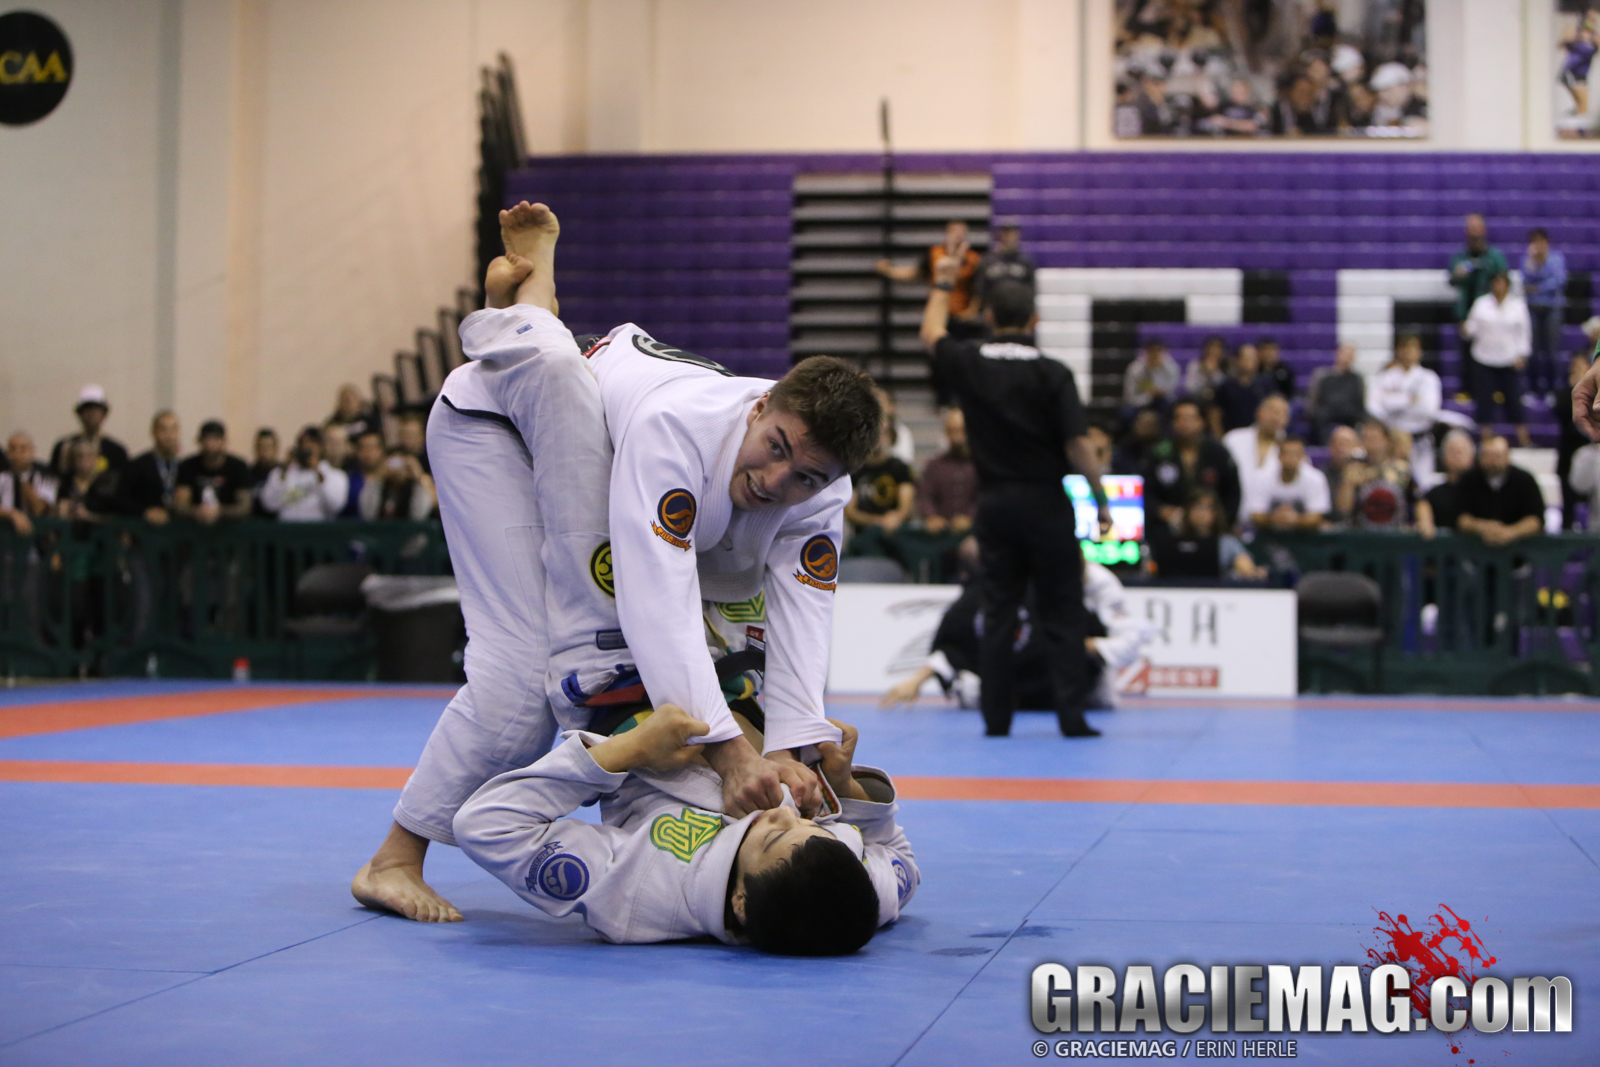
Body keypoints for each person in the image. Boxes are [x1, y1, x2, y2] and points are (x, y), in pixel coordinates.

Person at [355, 202, 876, 923]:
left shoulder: (820, 490)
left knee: (725, 589)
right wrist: (729, 752)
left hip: (589, 411)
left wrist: (794, 743)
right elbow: (655, 598)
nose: (777, 480)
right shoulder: (679, 432)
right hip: (501, 430)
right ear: (760, 408)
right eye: (776, 448)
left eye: (807, 477)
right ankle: (393, 858)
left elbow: (804, 615)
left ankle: (531, 305)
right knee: (521, 679)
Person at [454, 704, 915, 955]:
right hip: (748, 682)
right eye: (809, 825)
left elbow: (487, 825)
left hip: (625, 686)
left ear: (741, 902)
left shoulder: (640, 893)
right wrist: (845, 787)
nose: (783, 815)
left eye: (773, 837)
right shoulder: (847, 894)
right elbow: (901, 865)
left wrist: (630, 749)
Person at [922, 264, 1106, 739]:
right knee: (1063, 610)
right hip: (1047, 502)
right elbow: (1078, 445)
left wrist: (944, 280)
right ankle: (1072, 717)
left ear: (987, 316)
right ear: (1034, 320)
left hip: (996, 504)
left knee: (999, 609)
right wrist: (1101, 500)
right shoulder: (1053, 372)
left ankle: (996, 718)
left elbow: (931, 333)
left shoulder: (971, 361)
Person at [880, 545, 1154, 714]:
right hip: (1026, 678)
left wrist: (1089, 646)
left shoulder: (1101, 586)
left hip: (1084, 675)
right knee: (977, 691)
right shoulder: (1015, 586)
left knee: (1101, 699)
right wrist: (917, 680)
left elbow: (1130, 641)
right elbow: (959, 639)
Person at [1143, 399, 1242, 528]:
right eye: (1180, 418)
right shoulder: (1159, 453)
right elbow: (1146, 491)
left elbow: (1232, 492)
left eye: (1190, 418)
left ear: (1201, 421)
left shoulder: (1217, 452)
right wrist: (1160, 510)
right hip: (1166, 526)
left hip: (1210, 527)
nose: (1185, 423)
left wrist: (1220, 519)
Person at [879, 220, 983, 339]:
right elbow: (915, 273)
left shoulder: (973, 259)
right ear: (947, 233)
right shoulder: (934, 253)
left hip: (961, 317)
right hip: (938, 314)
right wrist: (889, 270)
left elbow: (979, 289)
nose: (958, 235)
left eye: (961, 232)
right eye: (954, 231)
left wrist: (972, 310)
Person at [1461, 272, 1532, 445]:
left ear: (1507, 285)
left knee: (1514, 400)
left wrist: (1522, 354)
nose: (1499, 286)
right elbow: (1471, 328)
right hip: (1484, 358)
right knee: (1484, 400)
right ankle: (1486, 438)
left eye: (1502, 283)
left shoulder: (1517, 305)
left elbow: (1524, 332)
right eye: (1496, 283)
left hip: (1509, 359)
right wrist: (1466, 329)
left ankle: (1523, 438)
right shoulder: (1481, 304)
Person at [1449, 214, 1508, 402]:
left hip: (1490, 313)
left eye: (1477, 228)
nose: (1474, 233)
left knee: (1493, 350)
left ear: (1483, 231)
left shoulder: (1494, 256)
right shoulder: (1460, 256)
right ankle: (1467, 389)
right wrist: (1459, 274)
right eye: (1471, 228)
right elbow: (1451, 280)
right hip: (1466, 312)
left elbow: (1503, 278)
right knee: (1466, 352)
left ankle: (1496, 389)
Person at [1367, 332, 1443, 480]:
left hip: (1420, 439)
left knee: (1422, 481)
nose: (1409, 353)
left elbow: (1429, 409)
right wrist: (1408, 399)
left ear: (1420, 352)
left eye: (1413, 348)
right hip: (1393, 438)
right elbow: (1373, 406)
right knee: (1392, 479)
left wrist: (1391, 400)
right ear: (1398, 351)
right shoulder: (1386, 376)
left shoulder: (1428, 378)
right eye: (1405, 348)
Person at [1147, 489, 1264, 580]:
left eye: (1206, 508)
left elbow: (1246, 566)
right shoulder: (1171, 542)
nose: (1201, 513)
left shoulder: (1226, 543)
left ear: (1215, 512)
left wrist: (1248, 570)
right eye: (1196, 508)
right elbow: (1152, 568)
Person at [1456, 435, 1545, 547]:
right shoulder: (1468, 480)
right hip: (1474, 550)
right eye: (1488, 455)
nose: (1493, 461)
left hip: (1520, 550)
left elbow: (1535, 519)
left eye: (1497, 456)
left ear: (1507, 456)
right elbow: (1460, 518)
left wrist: (1510, 532)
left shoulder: (1525, 480)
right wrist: (1484, 527)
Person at [1338, 420, 1417, 529]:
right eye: (1366, 438)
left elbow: (1418, 499)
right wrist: (1348, 483)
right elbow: (1343, 508)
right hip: (1362, 531)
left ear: (1387, 441)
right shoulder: (1354, 469)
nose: (1370, 443)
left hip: (1395, 531)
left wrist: (1423, 521)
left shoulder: (1401, 468)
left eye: (1374, 438)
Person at [259, 425, 348, 522]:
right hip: (287, 529)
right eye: (303, 443)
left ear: (321, 447)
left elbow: (335, 506)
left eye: (312, 445)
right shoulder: (281, 472)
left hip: (318, 529)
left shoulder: (335, 475)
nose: (306, 447)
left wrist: (318, 472)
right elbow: (269, 505)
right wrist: (284, 472)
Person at [173, 421, 254, 525]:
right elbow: (180, 506)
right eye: (207, 439)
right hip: (194, 527)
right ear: (200, 441)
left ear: (224, 442)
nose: (211, 444)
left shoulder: (238, 466)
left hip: (230, 528)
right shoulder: (187, 466)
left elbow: (245, 507)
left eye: (216, 439)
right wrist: (199, 511)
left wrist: (219, 511)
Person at [345, 430, 435, 521]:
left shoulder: (414, 489)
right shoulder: (381, 487)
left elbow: (420, 513)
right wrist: (378, 476)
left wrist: (418, 475)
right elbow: (367, 511)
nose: (397, 470)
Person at [1243, 437, 1330, 531]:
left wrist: (1295, 520)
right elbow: (1255, 514)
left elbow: (1316, 517)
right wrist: (1274, 518)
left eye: (1296, 454)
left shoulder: (1316, 478)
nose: (1292, 458)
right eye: (1287, 453)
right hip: (1268, 534)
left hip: (1304, 535)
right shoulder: (1262, 477)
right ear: (1279, 456)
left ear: (1303, 456)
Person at [1521, 229, 1567, 401]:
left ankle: (1552, 389)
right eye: (1535, 242)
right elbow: (1525, 281)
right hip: (1532, 308)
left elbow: (1559, 281)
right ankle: (1532, 389)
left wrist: (1538, 288)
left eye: (1541, 242)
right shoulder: (1527, 260)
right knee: (1532, 350)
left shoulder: (1556, 259)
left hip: (1552, 308)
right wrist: (1534, 263)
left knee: (1552, 351)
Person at [917, 408, 977, 535]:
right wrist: (931, 516)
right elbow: (925, 495)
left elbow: (986, 496)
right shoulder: (934, 465)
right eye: (953, 431)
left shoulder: (981, 466)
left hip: (975, 532)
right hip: (940, 533)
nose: (958, 437)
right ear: (946, 433)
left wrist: (971, 517)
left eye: (962, 430)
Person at [49, 385, 129, 479]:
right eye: (87, 409)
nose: (92, 413)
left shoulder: (116, 452)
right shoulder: (64, 448)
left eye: (96, 409)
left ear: (104, 413)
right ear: (79, 414)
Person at [117, 411, 182, 525]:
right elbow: (122, 500)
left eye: (173, 429)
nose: (168, 435)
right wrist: (145, 512)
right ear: (154, 433)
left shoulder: (183, 467)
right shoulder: (137, 465)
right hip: (144, 528)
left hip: (176, 527)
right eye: (163, 429)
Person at [1416, 429, 1477, 538]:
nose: (1457, 456)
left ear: (1471, 456)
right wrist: (1424, 521)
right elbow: (1423, 504)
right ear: (1443, 457)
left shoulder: (1483, 489)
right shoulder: (1435, 493)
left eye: (1461, 451)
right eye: (1452, 451)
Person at [1555, 352, 1593, 528]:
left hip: (1592, 452)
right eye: (1575, 365)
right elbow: (1560, 412)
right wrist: (1575, 388)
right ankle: (1566, 531)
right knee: (1568, 504)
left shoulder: (1596, 390)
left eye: (1582, 365)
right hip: (1568, 453)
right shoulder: (1564, 391)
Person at [1306, 344, 1367, 443]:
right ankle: (1325, 444)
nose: (1347, 358)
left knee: (1360, 418)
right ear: (1338, 353)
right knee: (1319, 416)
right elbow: (1315, 397)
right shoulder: (1323, 375)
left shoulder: (1356, 378)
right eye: (1345, 354)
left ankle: (1352, 443)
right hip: (1327, 409)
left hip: (1349, 411)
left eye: (1350, 355)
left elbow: (1360, 400)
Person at [973, 221, 1036, 315]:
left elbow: (1031, 288)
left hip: (1018, 310)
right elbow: (979, 288)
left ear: (1018, 235)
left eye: (1013, 233)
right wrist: (980, 309)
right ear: (1001, 234)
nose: (1010, 237)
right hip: (994, 310)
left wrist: (1031, 311)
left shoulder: (1026, 261)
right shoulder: (988, 260)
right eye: (1007, 233)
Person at [1, 432, 57, 536]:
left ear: (32, 451)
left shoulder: (44, 476)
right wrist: (12, 513)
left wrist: (22, 480)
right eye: (13, 449)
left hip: (36, 536)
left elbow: (41, 510)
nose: (17, 454)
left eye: (23, 449)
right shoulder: (2, 477)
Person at [1221, 394, 1289, 479]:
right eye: (1272, 411)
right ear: (1259, 412)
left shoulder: (1291, 449)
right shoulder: (1233, 438)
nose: (1275, 418)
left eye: (1282, 414)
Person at [55, 438, 121, 522]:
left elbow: (110, 511)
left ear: (97, 457)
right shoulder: (66, 481)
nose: (84, 460)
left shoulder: (107, 480)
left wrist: (89, 515)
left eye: (89, 456)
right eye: (79, 456)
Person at [1214, 344, 1272, 433]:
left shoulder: (1266, 385)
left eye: (1254, 359)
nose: (1250, 362)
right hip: (1232, 433)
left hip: (1257, 434)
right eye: (1246, 358)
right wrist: (1219, 434)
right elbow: (1215, 412)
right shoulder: (1226, 386)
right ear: (1238, 360)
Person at [1122, 340, 1180, 413]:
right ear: (1146, 352)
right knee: (1126, 413)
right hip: (1138, 404)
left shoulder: (1171, 368)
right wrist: (1149, 395)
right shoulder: (1135, 369)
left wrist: (1159, 392)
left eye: (1158, 353)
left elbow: (1172, 393)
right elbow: (1129, 396)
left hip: (1163, 402)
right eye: (1152, 352)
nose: (1154, 356)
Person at [1324, 424, 1363, 523]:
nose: (1340, 447)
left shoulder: (1366, 472)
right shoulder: (1321, 476)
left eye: (1346, 443)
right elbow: (1340, 512)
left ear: (1357, 447)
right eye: (1336, 443)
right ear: (1330, 447)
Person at [1183, 336, 1228, 408]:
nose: (1214, 353)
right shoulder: (1195, 365)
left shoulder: (1227, 367)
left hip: (1220, 402)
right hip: (1198, 399)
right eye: (1211, 350)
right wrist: (1203, 374)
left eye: (1217, 350)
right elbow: (1190, 388)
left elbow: (1226, 388)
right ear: (1205, 350)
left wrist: (1213, 373)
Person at [249, 428, 280, 519]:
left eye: (268, 447)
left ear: (275, 449)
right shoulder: (247, 473)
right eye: (261, 446)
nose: (264, 451)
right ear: (256, 449)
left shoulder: (284, 474)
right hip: (253, 522)